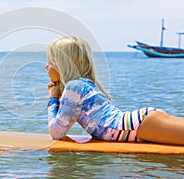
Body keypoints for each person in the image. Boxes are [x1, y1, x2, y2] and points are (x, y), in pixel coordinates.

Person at [46, 36, 184, 145]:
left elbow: (56, 133)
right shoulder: (82, 85)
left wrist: (52, 99)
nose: (47, 66)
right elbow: (63, 126)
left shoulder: (74, 87)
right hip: (138, 123)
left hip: (134, 126)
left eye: (51, 62)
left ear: (62, 64)